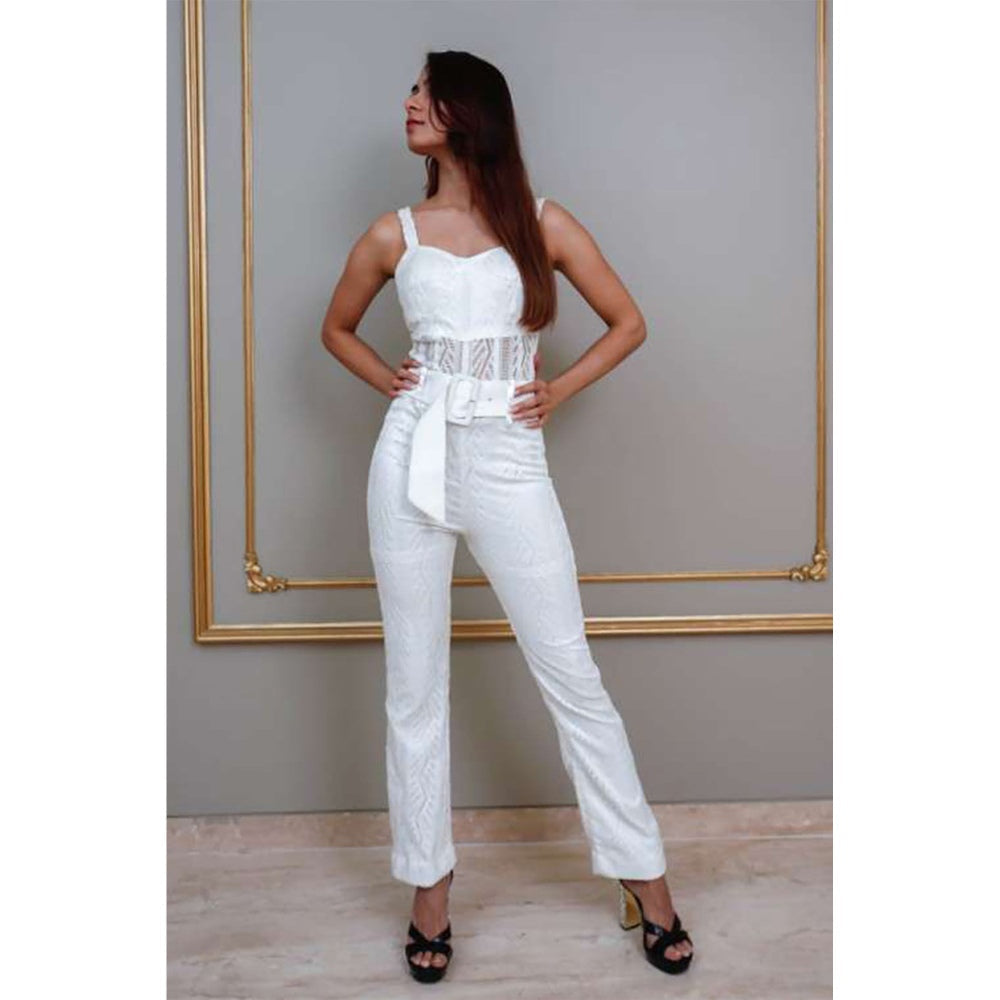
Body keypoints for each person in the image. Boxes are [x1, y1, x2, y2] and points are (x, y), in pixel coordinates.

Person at [320, 50, 694, 983]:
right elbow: (335, 329)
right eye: (411, 90)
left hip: (507, 459)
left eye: (424, 91)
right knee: (413, 685)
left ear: (470, 109)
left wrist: (555, 390)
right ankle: (429, 889)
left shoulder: (542, 221)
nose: (408, 103)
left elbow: (629, 322)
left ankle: (644, 877)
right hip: (409, 457)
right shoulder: (393, 233)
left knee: (570, 671)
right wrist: (393, 381)